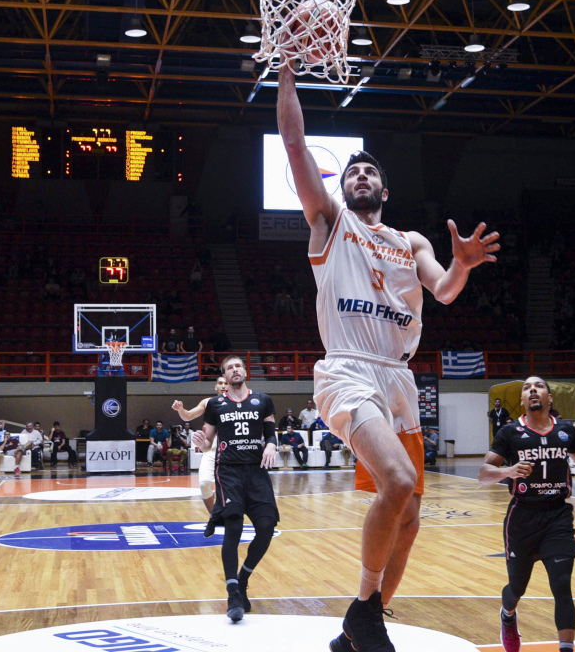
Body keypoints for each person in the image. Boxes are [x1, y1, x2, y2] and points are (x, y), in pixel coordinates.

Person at [279, 60, 498, 652]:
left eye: (370, 170)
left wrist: (462, 264)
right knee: (397, 481)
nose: (360, 175)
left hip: (399, 379)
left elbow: (445, 291)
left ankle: (360, 627)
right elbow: (295, 143)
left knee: (411, 519)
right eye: (352, 171)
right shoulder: (330, 223)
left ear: (385, 188)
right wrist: (287, 74)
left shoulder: (411, 242)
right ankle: (363, 609)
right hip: (349, 369)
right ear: (342, 187)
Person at [478, 376, 575, 652]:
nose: (532, 389)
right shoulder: (509, 433)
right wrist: (506, 471)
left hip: (557, 515)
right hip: (522, 518)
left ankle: (565, 647)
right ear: (523, 401)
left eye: (539, 386)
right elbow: (483, 473)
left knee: (561, 584)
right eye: (526, 388)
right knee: (517, 588)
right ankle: (508, 614)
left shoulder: (566, 431)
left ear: (549, 397)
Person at [191, 356, 279, 623]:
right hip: (228, 471)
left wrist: (272, 445)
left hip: (256, 471)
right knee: (234, 528)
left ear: (245, 371)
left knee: (266, 529)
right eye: (229, 368)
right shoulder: (216, 405)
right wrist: (200, 442)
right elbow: (207, 443)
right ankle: (232, 594)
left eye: (238, 366)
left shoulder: (263, 400)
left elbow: (271, 431)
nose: (235, 370)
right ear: (224, 377)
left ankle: (243, 579)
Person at [173, 375, 230, 512]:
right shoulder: (208, 402)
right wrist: (181, 409)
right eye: (220, 383)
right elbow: (188, 416)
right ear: (215, 387)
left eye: (226, 383)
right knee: (204, 483)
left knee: (230, 487)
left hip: (231, 450)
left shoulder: (239, 402)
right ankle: (214, 515)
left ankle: (231, 514)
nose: (223, 386)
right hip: (211, 449)